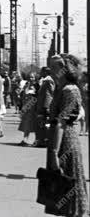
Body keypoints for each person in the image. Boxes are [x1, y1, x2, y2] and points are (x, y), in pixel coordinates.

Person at [44, 54, 88, 216]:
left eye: (55, 67)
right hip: (58, 139)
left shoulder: (70, 90)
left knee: (68, 183)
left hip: (65, 141)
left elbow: (61, 123)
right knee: (60, 187)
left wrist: (54, 153)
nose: (51, 70)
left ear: (65, 69)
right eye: (50, 67)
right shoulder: (60, 88)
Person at [34, 66, 56, 147]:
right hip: (41, 105)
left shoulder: (48, 80)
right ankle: (41, 140)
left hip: (44, 106)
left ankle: (45, 141)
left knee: (44, 124)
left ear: (45, 72)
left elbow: (48, 94)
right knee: (41, 123)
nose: (40, 73)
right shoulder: (45, 80)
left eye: (41, 72)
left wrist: (46, 107)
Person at [18, 72, 39, 146]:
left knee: (35, 124)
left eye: (32, 77)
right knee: (26, 124)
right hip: (26, 107)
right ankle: (25, 139)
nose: (31, 78)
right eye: (29, 77)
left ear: (35, 78)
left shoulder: (37, 85)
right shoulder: (26, 85)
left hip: (34, 107)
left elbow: (38, 96)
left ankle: (37, 140)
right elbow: (23, 95)